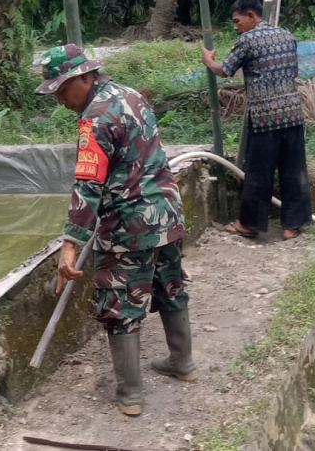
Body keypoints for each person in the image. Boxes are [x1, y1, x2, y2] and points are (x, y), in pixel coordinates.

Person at [35, 44, 197, 416]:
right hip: (167, 214)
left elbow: (88, 185)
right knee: (170, 286)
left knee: (120, 305)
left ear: (84, 77)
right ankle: (183, 364)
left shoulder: (94, 119)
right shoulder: (132, 96)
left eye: (62, 90)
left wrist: (70, 243)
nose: (60, 99)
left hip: (129, 228)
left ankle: (130, 395)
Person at [201, 0, 312, 241]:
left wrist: (209, 60)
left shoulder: (247, 40)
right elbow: (293, 71)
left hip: (264, 118)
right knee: (294, 170)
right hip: (293, 114)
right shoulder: (287, 34)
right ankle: (291, 226)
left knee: (258, 172)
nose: (235, 26)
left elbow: (225, 70)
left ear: (252, 15)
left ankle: (250, 224)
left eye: (237, 20)